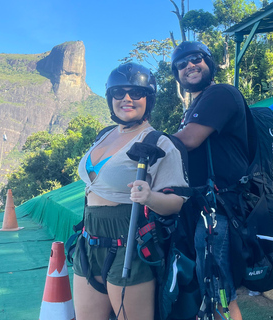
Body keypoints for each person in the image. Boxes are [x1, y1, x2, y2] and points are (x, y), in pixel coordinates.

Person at [72, 62, 188, 320]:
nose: (126, 98)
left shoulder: (158, 142)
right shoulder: (104, 135)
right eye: (118, 92)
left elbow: (177, 202)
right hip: (89, 237)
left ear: (149, 98)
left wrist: (150, 197)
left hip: (129, 239)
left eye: (136, 93)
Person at [172, 41, 246, 320]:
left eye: (195, 59)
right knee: (210, 287)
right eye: (181, 64)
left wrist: (146, 139)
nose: (189, 65)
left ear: (209, 62)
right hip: (205, 208)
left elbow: (188, 141)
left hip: (222, 209)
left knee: (219, 292)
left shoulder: (220, 93)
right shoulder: (193, 108)